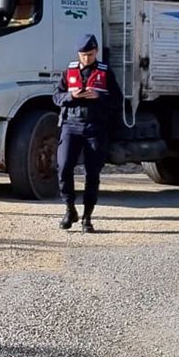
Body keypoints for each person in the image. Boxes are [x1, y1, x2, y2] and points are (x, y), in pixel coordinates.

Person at [52, 33, 122, 233]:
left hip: (95, 127)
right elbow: (56, 97)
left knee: (92, 173)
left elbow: (117, 100)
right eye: (83, 55)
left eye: (90, 54)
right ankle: (69, 209)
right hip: (70, 125)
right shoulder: (69, 71)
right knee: (64, 167)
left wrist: (99, 96)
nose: (86, 58)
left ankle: (87, 217)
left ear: (96, 52)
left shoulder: (105, 72)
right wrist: (70, 96)